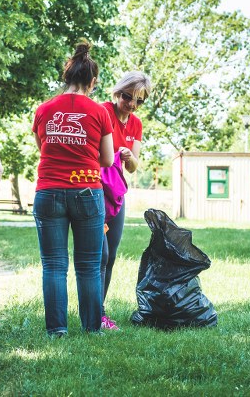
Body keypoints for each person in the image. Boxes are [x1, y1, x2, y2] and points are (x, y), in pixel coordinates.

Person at [32, 40, 114, 337]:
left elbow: (43, 147)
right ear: (92, 82)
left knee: (54, 265)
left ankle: (57, 330)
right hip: (87, 193)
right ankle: (93, 329)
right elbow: (106, 159)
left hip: (48, 192)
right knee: (89, 265)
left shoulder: (43, 110)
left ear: (66, 78)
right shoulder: (99, 112)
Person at [99, 71, 151, 331]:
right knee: (99, 255)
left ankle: (99, 311)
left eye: (139, 101)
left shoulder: (136, 125)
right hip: (95, 191)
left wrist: (129, 156)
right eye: (128, 97)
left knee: (110, 256)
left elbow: (133, 168)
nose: (131, 104)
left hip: (116, 196)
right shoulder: (102, 111)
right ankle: (94, 313)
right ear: (118, 92)